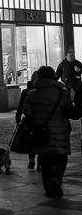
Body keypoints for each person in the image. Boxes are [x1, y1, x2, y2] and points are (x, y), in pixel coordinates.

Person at [21, 65, 82, 198]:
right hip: (60, 131)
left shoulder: (32, 94)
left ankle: (49, 190)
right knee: (61, 157)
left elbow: (27, 113)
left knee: (45, 159)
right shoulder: (62, 92)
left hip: (41, 132)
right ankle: (57, 178)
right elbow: (69, 111)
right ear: (54, 76)